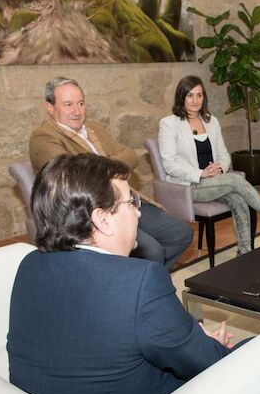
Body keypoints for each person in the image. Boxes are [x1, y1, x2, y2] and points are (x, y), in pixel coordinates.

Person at [8, 153, 238, 394]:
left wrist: (187, 337)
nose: (138, 212)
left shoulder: (30, 264)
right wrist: (207, 344)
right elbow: (209, 362)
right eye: (131, 202)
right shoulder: (139, 281)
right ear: (102, 219)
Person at [29, 76, 193, 270]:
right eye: (68, 105)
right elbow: (75, 179)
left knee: (181, 233)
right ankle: (139, 279)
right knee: (152, 251)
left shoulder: (94, 128)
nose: (77, 111)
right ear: (49, 107)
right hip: (90, 214)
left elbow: (130, 155)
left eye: (81, 103)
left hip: (125, 201)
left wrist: (96, 167)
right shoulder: (44, 137)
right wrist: (110, 165)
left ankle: (142, 277)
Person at [157, 76, 260, 255]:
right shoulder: (169, 124)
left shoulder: (211, 121)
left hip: (215, 182)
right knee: (234, 179)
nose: (195, 100)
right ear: (181, 97)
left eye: (199, 95)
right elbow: (169, 164)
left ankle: (245, 252)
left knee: (238, 199)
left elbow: (224, 154)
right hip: (189, 186)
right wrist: (201, 173)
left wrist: (220, 168)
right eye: (190, 95)